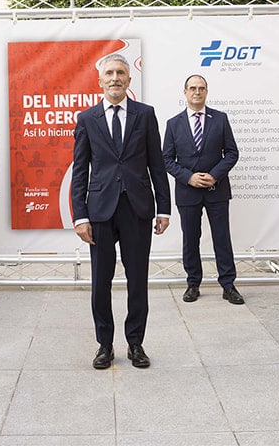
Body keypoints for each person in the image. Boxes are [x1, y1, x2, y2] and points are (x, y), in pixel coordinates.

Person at [71, 53, 171, 369]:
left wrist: (164, 208)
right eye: (110, 73)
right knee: (101, 281)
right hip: (100, 211)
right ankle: (104, 345)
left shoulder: (145, 115)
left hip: (137, 209)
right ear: (100, 81)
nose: (115, 78)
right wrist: (80, 215)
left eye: (121, 73)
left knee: (137, 280)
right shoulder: (87, 119)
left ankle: (136, 344)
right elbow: (80, 170)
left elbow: (156, 163)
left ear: (129, 80)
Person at [162, 75, 243, 304]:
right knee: (191, 238)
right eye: (193, 88)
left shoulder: (220, 119)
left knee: (222, 238)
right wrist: (188, 177)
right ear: (185, 92)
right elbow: (166, 159)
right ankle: (193, 283)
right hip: (188, 192)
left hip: (216, 190)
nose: (197, 92)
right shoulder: (173, 123)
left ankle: (228, 285)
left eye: (202, 88)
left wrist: (214, 175)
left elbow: (232, 153)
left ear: (207, 92)